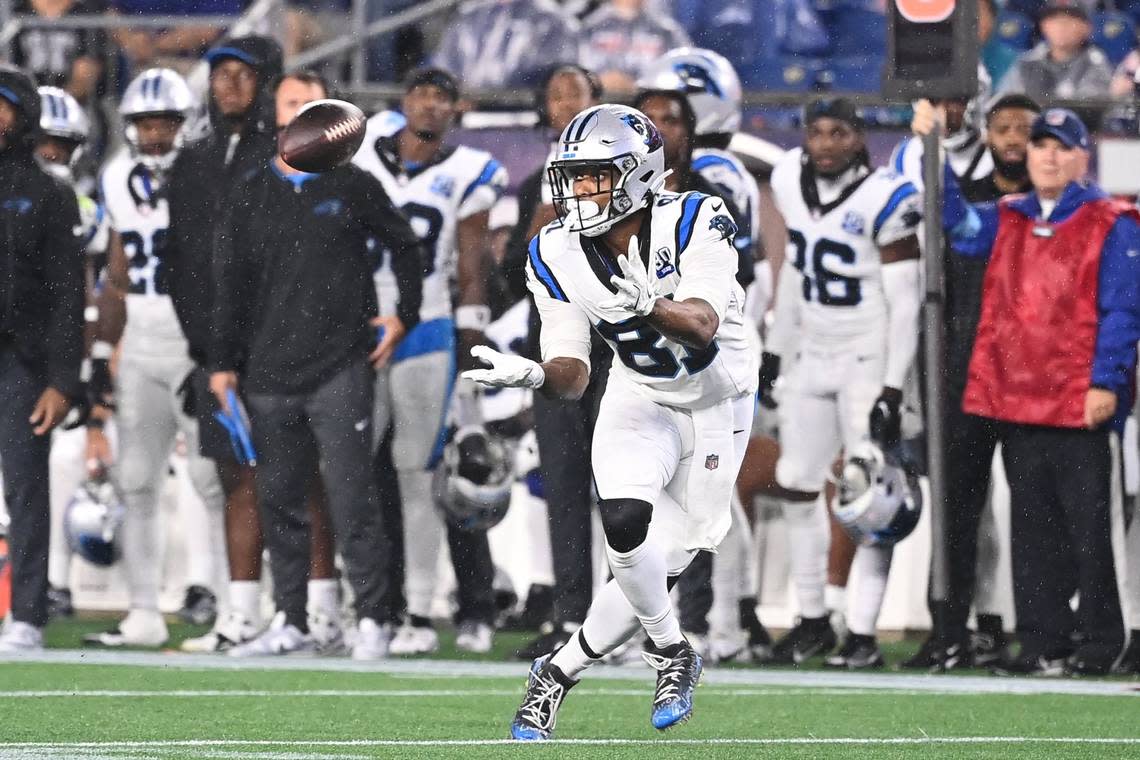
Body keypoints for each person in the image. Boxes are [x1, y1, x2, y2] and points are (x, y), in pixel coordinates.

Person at [465, 103, 756, 738]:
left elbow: (703, 327)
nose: (581, 190)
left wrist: (652, 303)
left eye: (596, 175)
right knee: (623, 521)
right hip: (639, 391)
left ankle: (556, 673)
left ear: (639, 172)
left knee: (660, 568)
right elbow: (574, 370)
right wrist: (537, 375)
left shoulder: (697, 217)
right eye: (574, 176)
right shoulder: (553, 250)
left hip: (717, 401)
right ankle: (672, 651)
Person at [209, 71, 426, 660]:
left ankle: (374, 619)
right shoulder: (250, 190)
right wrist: (221, 363)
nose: (302, 112)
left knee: (354, 497)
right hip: (268, 371)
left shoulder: (352, 184)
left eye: (312, 103)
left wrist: (403, 313)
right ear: (277, 117)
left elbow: (407, 245)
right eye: (292, 103)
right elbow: (227, 284)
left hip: (340, 365)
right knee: (279, 498)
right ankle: (293, 619)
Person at [927, 108, 1140, 676]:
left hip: (1079, 402)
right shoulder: (1009, 215)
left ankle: (1101, 644)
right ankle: (1043, 643)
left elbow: (1122, 311)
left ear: (1080, 157)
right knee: (1033, 532)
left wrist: (1106, 381)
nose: (1046, 155)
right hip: (1018, 400)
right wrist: (937, 150)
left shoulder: (1112, 220)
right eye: (1040, 145)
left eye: (1059, 146)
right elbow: (958, 227)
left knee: (1093, 534)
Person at [167, 36, 344, 654]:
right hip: (219, 346)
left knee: (306, 479)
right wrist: (211, 349)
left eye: (244, 75)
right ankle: (242, 611)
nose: (230, 86)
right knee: (235, 476)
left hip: (283, 344)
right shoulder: (192, 161)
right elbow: (183, 263)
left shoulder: (290, 159)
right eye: (221, 75)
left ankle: (320, 612)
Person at [760, 98, 922, 668]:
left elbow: (905, 304)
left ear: (858, 138)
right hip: (812, 349)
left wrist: (893, 386)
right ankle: (810, 619)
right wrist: (775, 351)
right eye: (816, 133)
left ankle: (861, 630)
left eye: (838, 133)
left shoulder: (888, 196)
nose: (825, 144)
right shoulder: (786, 177)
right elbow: (794, 274)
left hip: (866, 353)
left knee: (871, 497)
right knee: (798, 481)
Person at [352, 67, 507, 655]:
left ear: (455, 109)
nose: (431, 106)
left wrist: (472, 336)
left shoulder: (467, 173)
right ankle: (368, 606)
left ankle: (417, 610)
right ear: (404, 100)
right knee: (353, 477)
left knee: (417, 476)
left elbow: (472, 264)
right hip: (357, 324)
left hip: (427, 325)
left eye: (443, 98)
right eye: (421, 94)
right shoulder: (362, 151)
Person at [78, 68, 230, 648]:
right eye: (145, 124)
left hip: (192, 335)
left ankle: (226, 605)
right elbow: (116, 277)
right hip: (140, 338)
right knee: (136, 479)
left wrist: (216, 348)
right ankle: (143, 611)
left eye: (166, 122)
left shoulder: (206, 175)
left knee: (210, 477)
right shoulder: (117, 177)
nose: (156, 135)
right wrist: (100, 352)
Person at [638, 47, 772, 662]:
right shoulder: (624, 189)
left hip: (712, 355)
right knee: (640, 496)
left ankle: (726, 622)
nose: (660, 132)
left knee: (712, 498)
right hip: (652, 362)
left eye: (672, 119)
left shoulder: (718, 181)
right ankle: (651, 624)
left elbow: (741, 280)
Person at [899, 94, 1041, 671]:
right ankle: (950, 631)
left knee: (1036, 513)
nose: (1014, 138)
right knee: (956, 513)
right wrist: (924, 143)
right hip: (968, 377)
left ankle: (1041, 635)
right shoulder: (976, 210)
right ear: (986, 134)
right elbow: (948, 213)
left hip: (1036, 380)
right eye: (1003, 127)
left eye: (1026, 130)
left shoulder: (1061, 214)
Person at [503, 63, 609, 661]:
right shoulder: (534, 185)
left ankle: (633, 617)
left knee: (626, 486)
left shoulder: (626, 173)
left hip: (615, 347)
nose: (564, 102)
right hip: (555, 345)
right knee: (564, 483)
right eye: (555, 94)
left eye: (576, 92)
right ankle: (572, 616)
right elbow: (530, 257)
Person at [0, 65, 85, 653]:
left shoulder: (50, 193)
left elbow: (67, 297)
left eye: (2, 107)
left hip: (21, 360)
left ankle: (26, 613)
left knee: (25, 489)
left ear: (24, 116)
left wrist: (61, 380)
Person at [34, 85, 110, 621]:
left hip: (58, 356)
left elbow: (93, 297)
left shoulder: (84, 208)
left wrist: (88, 371)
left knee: (56, 466)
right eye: (42, 142)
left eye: (60, 144)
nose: (50, 154)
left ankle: (53, 584)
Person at [431, 0, 580, 89]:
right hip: (469, 116)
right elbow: (444, 68)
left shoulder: (554, 21)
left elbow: (558, 79)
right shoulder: (469, 16)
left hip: (524, 119)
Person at [997, 0, 1113, 102]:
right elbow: (1008, 102)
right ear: (1043, 25)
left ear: (1086, 27)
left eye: (1069, 19)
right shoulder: (1027, 63)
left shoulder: (1095, 62)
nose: (1061, 26)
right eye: (1054, 19)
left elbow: (1091, 109)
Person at [578, 0, 690, 93]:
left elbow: (684, 73)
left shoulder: (668, 32)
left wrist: (638, 86)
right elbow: (576, 73)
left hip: (649, 104)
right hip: (600, 102)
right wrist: (599, 82)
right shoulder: (589, 28)